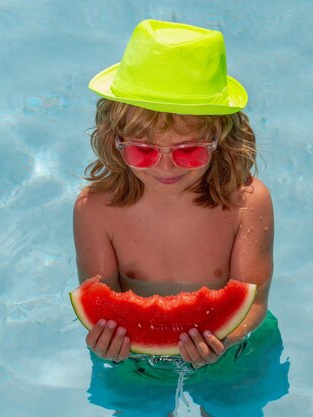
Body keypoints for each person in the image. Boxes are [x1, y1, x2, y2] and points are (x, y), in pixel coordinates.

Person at [74, 19, 274, 370]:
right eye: (143, 151)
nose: (165, 167)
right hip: (132, 361)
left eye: (188, 152)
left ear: (221, 140)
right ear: (114, 140)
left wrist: (225, 341)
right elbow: (101, 300)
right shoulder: (96, 209)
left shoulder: (246, 203)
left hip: (237, 349)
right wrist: (106, 342)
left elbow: (253, 303)